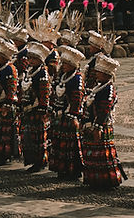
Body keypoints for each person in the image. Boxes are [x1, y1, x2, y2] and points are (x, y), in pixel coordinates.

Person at [82, 54, 126, 190]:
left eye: (99, 73)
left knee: (103, 155)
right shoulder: (100, 86)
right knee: (93, 153)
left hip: (101, 126)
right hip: (92, 125)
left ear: (106, 74)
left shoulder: (108, 89)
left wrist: (98, 127)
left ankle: (106, 180)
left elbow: (104, 110)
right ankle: (94, 179)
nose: (96, 74)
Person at [50, 45, 85, 180]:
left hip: (70, 116)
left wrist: (73, 114)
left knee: (71, 145)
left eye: (66, 64)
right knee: (59, 143)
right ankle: (61, 168)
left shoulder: (77, 78)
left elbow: (77, 98)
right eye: (62, 63)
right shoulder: (62, 75)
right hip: (59, 115)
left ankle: (73, 170)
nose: (63, 66)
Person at [20, 42, 52, 173]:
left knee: (39, 138)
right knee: (29, 136)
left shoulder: (42, 74)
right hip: (28, 109)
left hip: (37, 111)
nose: (30, 61)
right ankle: (32, 159)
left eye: (34, 59)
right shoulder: (30, 72)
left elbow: (44, 94)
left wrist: (42, 108)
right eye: (29, 58)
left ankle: (40, 161)